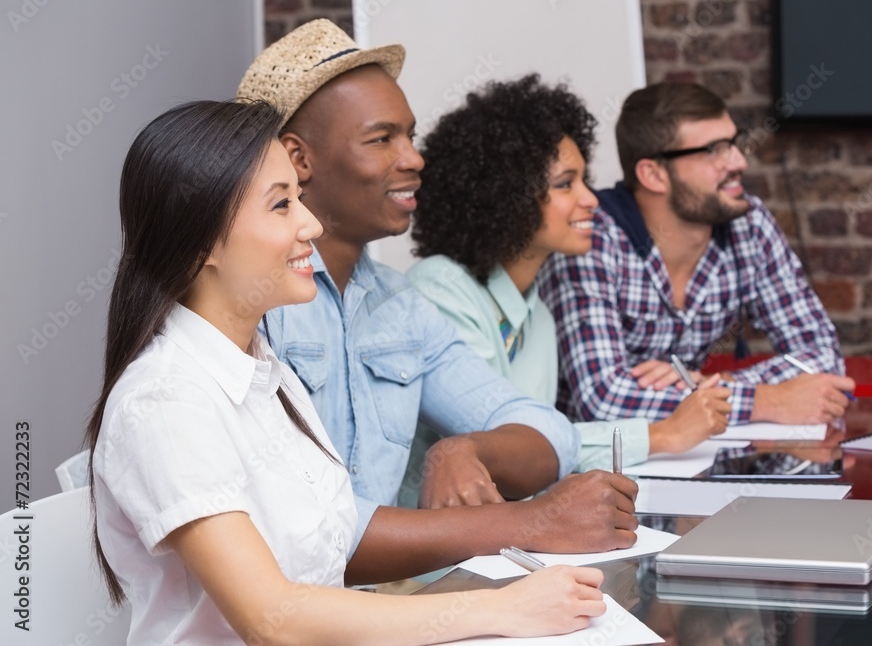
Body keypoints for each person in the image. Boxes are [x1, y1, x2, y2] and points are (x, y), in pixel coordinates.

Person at [87, 99, 607, 644]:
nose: (309, 223)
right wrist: (501, 610)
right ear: (200, 245)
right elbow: (275, 621)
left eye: (298, 198)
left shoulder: (265, 373)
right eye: (281, 205)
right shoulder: (165, 401)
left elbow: (333, 550)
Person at [237, 19, 638, 582]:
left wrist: (463, 449)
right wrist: (530, 524)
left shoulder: (399, 305)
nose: (414, 158)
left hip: (370, 613)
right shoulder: (249, 308)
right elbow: (306, 531)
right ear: (298, 161)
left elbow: (549, 431)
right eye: (382, 139)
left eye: (410, 135)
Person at [407, 74, 731, 471]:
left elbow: (545, 443)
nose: (591, 199)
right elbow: (503, 440)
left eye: (584, 181)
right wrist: (664, 434)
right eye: (565, 184)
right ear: (506, 197)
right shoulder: (442, 288)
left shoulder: (538, 316)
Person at [538, 82, 855, 427]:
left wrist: (717, 386)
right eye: (714, 150)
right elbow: (605, 401)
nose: (739, 161)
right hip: (599, 467)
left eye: (734, 142)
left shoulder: (748, 224)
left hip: (697, 456)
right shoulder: (589, 237)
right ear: (654, 174)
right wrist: (765, 400)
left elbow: (823, 358)